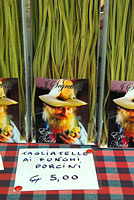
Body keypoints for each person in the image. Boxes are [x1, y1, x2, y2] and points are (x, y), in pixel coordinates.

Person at [36, 79, 88, 144]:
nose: (65, 113)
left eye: (69, 108)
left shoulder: (77, 125)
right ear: (48, 107)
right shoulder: (34, 121)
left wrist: (74, 142)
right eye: (60, 108)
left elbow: (86, 147)